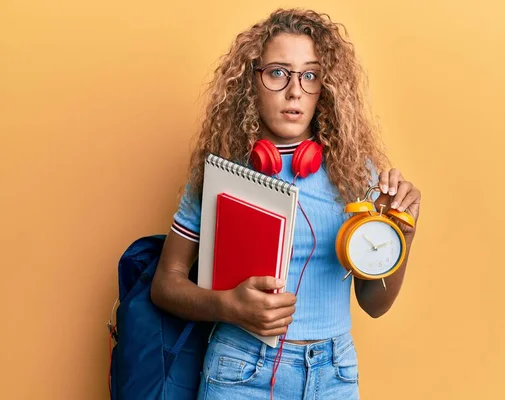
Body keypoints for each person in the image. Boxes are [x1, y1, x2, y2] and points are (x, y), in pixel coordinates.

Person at [150, 8, 421, 400]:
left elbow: (374, 305)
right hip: (240, 369)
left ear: (324, 87)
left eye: (309, 75)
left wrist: (403, 236)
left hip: (334, 373)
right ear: (251, 81)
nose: (295, 91)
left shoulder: (356, 174)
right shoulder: (222, 170)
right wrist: (228, 306)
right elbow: (165, 285)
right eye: (278, 72)